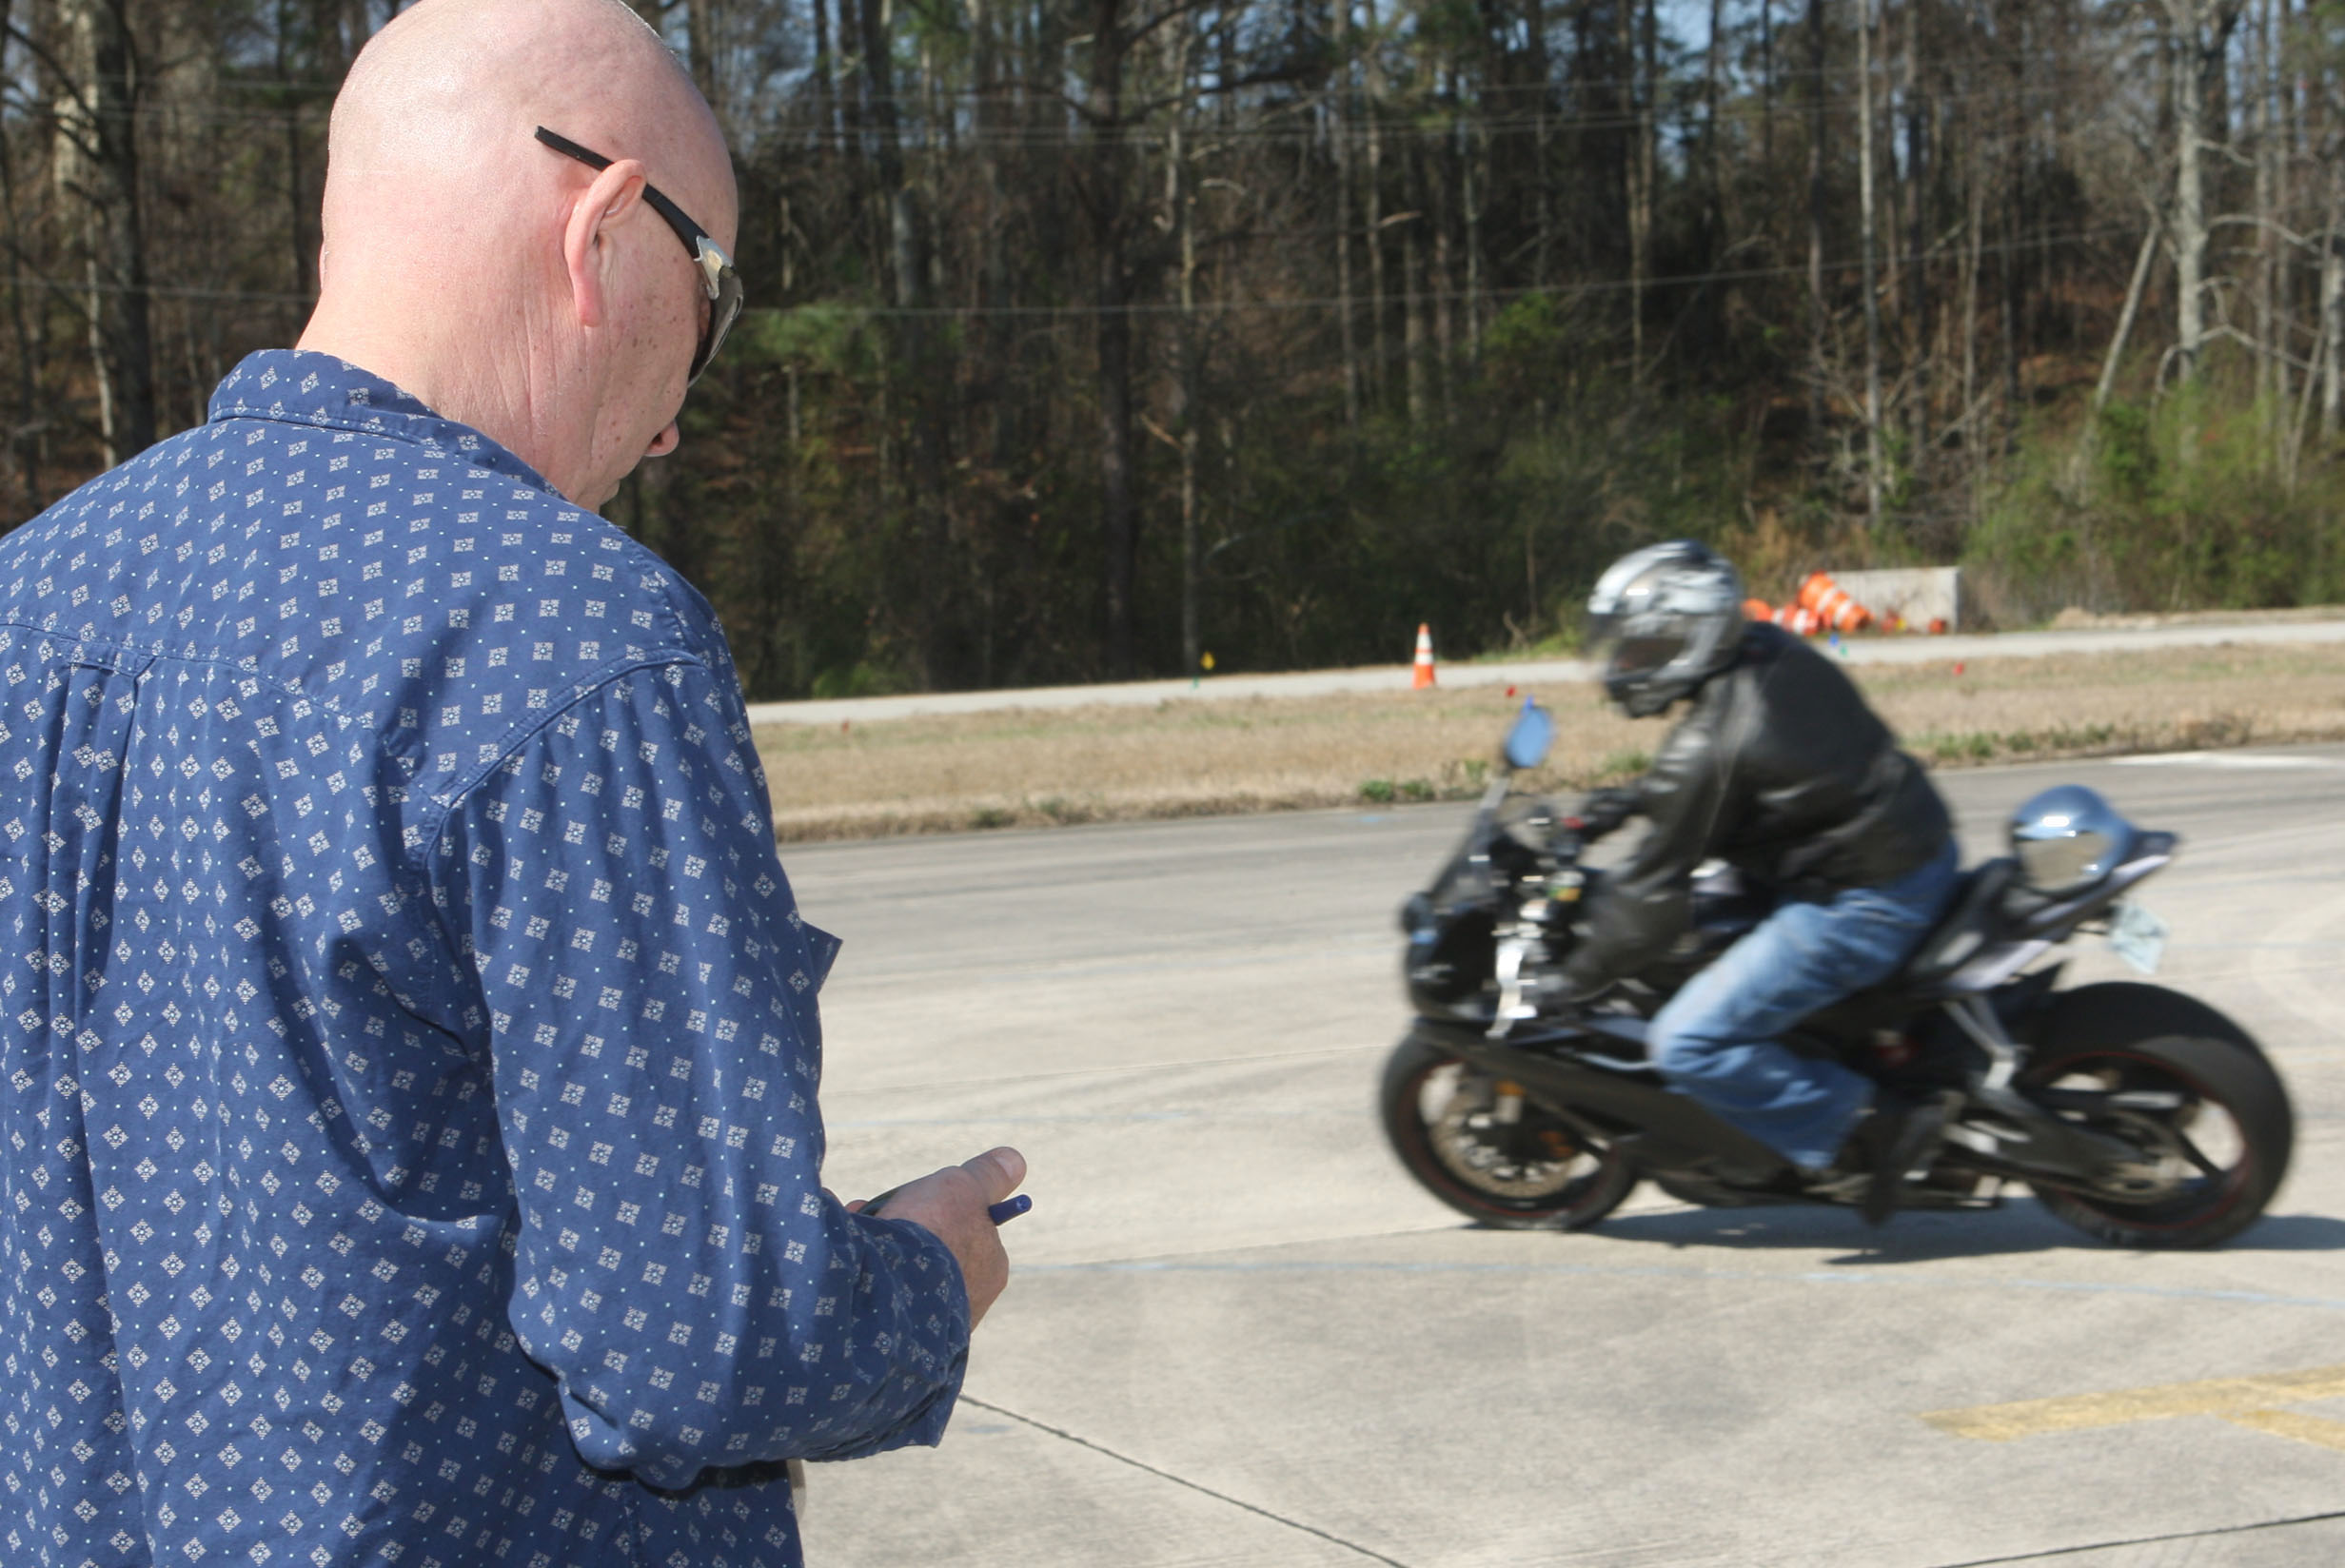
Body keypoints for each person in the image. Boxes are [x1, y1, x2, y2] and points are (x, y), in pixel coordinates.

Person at [0, 1, 1024, 1562]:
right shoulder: (569, 637)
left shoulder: (27, 604)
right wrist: (919, 1275)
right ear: (606, 225)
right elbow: (703, 1343)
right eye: (713, 302)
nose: (679, 419)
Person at [1556, 540, 1961, 1224]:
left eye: (1643, 646)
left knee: (1686, 1041)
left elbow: (1650, 897)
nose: (1625, 663)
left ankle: (1869, 1127)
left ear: (1690, 636)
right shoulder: (1770, 651)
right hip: (1911, 847)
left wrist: (1570, 983)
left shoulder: (1716, 742)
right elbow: (1734, 780)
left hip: (1864, 901)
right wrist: (1625, 803)